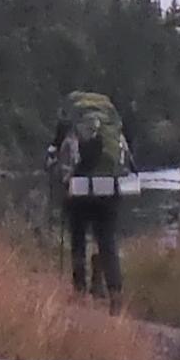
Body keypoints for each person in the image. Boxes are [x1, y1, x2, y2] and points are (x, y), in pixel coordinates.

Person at [49, 90, 134, 309]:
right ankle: (115, 294)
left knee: (78, 239)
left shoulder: (69, 124)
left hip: (78, 191)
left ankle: (80, 293)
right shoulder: (113, 129)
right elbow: (129, 162)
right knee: (107, 241)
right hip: (109, 190)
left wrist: (60, 178)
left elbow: (55, 158)